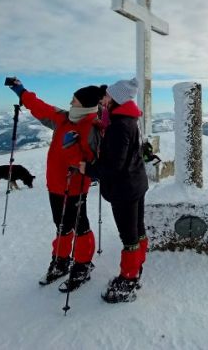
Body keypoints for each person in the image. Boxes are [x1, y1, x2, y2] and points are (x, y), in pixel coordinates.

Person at [9, 78, 104, 291]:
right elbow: (40, 107)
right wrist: (21, 92)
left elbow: (94, 163)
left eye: (75, 100)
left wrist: (73, 156)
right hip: (55, 184)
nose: (71, 102)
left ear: (86, 105)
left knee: (80, 226)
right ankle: (61, 261)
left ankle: (82, 264)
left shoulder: (93, 127)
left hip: (76, 186)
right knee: (61, 225)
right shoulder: (63, 118)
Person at [80, 77, 149, 303]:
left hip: (124, 189)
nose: (103, 99)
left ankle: (128, 280)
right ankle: (137, 267)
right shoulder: (127, 119)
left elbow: (114, 166)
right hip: (136, 182)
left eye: (107, 96)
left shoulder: (119, 126)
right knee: (137, 230)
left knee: (128, 235)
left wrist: (88, 168)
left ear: (117, 99)